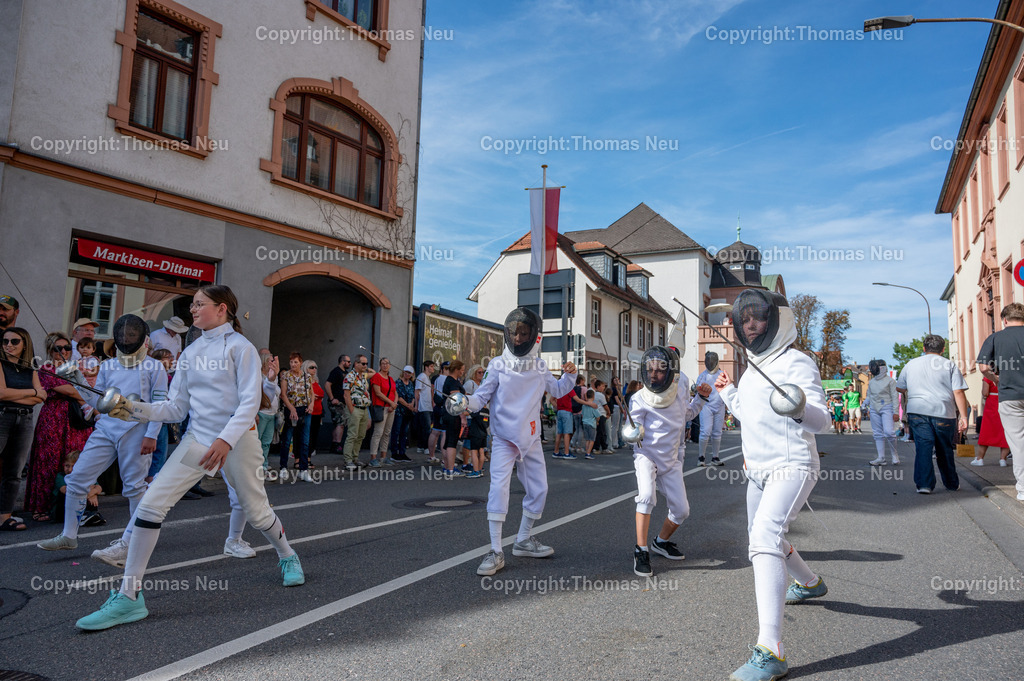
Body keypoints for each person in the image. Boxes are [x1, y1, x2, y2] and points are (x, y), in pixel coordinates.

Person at [75, 284, 304, 631]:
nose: (193, 309)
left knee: (257, 513)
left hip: (238, 441)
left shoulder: (240, 347)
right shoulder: (191, 350)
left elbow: (249, 402)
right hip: (198, 440)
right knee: (150, 504)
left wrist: (225, 441)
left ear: (222, 309)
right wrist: (129, 407)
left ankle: (287, 554)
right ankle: (129, 597)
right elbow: (175, 408)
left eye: (199, 304)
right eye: (193, 304)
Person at [714, 289, 831, 681]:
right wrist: (727, 392)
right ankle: (809, 582)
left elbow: (822, 420)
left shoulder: (797, 362)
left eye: (758, 316)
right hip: (758, 471)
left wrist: (799, 407)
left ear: (777, 320)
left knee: (764, 537)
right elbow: (748, 413)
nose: (750, 324)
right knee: (764, 536)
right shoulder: (751, 370)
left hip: (792, 466)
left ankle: (771, 650)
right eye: (744, 318)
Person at [451, 307, 577, 576]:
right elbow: (480, 398)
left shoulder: (540, 366)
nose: (518, 338)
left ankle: (523, 540)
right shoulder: (497, 364)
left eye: (524, 333)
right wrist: (463, 402)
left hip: (531, 437)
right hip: (504, 437)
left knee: (539, 489)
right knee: (499, 488)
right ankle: (496, 550)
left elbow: (558, 390)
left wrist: (570, 374)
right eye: (514, 332)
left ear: (534, 336)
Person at [37, 314, 167, 554]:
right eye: (124, 334)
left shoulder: (154, 366)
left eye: (132, 334)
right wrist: (77, 379)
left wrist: (152, 435)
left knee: (134, 487)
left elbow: (159, 403)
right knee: (77, 479)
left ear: (143, 338)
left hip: (136, 430)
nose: (127, 338)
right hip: (106, 428)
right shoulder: (108, 365)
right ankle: (69, 535)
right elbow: (97, 400)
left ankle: (134, 540)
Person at [629, 346, 711, 577]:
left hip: (671, 459)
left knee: (681, 510)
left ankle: (660, 542)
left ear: (671, 373)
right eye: (650, 370)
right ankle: (641, 550)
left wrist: (701, 398)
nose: (654, 375)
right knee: (647, 496)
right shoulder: (638, 398)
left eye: (659, 370)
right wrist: (632, 432)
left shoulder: (678, 394)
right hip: (646, 455)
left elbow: (687, 415)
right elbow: (632, 427)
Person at [26, 332, 93, 522]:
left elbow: (87, 386)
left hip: (75, 420)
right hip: (53, 419)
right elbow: (68, 389)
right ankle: (41, 506)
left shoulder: (75, 368)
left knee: (75, 458)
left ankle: (75, 505)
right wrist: (84, 398)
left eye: (67, 348)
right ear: (50, 350)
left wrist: (84, 394)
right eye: (58, 348)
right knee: (48, 462)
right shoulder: (46, 368)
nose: (63, 351)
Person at [896, 334, 969, 494]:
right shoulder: (949, 364)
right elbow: (958, 391)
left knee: (924, 447)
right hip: (944, 412)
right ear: (943, 349)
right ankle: (951, 483)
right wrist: (963, 417)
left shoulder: (911, 364)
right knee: (944, 449)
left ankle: (924, 485)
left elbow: (900, 387)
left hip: (917, 411)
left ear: (924, 348)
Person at [977, 302, 1024, 500]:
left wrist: (996, 379)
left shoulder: (995, 338)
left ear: (1004, 320)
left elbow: (983, 367)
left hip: (1010, 396)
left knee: (1017, 442)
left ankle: (1023, 488)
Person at [0, 326, 44, 531]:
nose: (9, 345)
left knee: (14, 471)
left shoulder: (30, 367)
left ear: (25, 344)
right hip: (3, 416)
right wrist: (32, 392)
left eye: (14, 341)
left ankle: (4, 517)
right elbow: (1, 394)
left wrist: (18, 394)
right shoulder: (1, 364)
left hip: (25, 419)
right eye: (5, 341)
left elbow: (42, 397)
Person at [279, 352, 312, 482]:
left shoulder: (307, 376)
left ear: (300, 363)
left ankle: (303, 469)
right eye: (291, 362)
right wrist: (291, 408)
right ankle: (283, 467)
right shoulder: (286, 376)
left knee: (305, 440)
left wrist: (311, 404)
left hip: (305, 409)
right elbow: (283, 394)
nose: (293, 364)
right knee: (287, 439)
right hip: (291, 409)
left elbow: (311, 392)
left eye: (296, 362)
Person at [54, 450, 105, 527]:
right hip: (62, 509)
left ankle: (88, 515)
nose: (70, 470)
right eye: (67, 466)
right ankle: (84, 517)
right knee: (73, 491)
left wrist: (92, 494)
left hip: (80, 502)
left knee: (91, 490)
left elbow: (98, 487)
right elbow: (65, 490)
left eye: (73, 466)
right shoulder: (61, 476)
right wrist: (89, 494)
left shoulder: (84, 476)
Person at [866, 360, 900, 466]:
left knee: (889, 432)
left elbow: (895, 397)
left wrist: (896, 412)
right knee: (877, 433)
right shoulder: (871, 382)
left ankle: (894, 455)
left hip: (887, 407)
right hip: (874, 408)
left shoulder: (890, 381)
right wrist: (865, 404)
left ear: (882, 368)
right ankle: (881, 458)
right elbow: (869, 395)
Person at [342, 354, 373, 470]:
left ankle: (355, 458)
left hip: (364, 408)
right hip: (355, 408)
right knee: (352, 435)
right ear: (356, 364)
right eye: (363, 363)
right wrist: (352, 410)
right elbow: (346, 395)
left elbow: (374, 373)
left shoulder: (363, 376)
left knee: (360, 435)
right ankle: (348, 460)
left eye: (366, 363)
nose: (365, 366)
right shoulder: (350, 376)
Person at [695, 351, 726, 466]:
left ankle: (715, 457)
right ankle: (701, 457)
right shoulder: (703, 376)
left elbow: (727, 388)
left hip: (719, 406)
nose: (711, 363)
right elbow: (697, 390)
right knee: (705, 431)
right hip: (706, 405)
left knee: (717, 432)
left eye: (712, 360)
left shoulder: (722, 374)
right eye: (709, 360)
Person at [972, 376, 1010, 467]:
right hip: (1004, 402)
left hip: (992, 404)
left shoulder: (988, 377)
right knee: (1005, 432)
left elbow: (985, 393)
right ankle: (1003, 459)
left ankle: (980, 459)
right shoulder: (1008, 375)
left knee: (986, 431)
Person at [440, 360, 468, 478]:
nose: (463, 372)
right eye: (462, 370)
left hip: (447, 414)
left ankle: (448, 467)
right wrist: (463, 417)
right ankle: (451, 469)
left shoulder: (450, 380)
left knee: (448, 441)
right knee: (452, 441)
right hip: (453, 415)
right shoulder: (453, 382)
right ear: (456, 370)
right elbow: (457, 401)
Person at [368, 357, 397, 467]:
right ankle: (373, 458)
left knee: (387, 433)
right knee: (378, 433)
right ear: (380, 365)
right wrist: (391, 403)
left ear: (390, 365)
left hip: (391, 408)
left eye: (387, 363)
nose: (385, 365)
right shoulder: (377, 377)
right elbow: (378, 393)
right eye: (383, 363)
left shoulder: (390, 379)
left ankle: (383, 457)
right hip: (380, 408)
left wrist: (394, 404)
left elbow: (395, 392)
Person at [257, 353, 281, 470]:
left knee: (266, 442)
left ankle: (264, 464)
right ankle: (255, 465)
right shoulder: (258, 376)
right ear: (264, 362)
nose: (273, 363)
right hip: (261, 413)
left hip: (272, 413)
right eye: (271, 361)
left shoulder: (274, 376)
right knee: (257, 441)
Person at [325, 355, 351, 454]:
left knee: (339, 424)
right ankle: (337, 445)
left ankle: (334, 444)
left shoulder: (346, 373)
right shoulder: (336, 371)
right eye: (348, 361)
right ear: (342, 361)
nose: (350, 363)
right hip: (336, 402)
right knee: (341, 423)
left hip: (343, 402)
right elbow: (327, 384)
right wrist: (332, 398)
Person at [389, 365, 416, 462]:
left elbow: (413, 396)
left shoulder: (411, 384)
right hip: (400, 411)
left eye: (409, 373)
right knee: (396, 431)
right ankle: (394, 453)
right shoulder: (398, 382)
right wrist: (408, 405)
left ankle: (402, 452)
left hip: (407, 412)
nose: (407, 374)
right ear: (403, 372)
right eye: (406, 372)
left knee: (404, 432)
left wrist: (412, 404)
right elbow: (399, 397)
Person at [302, 360, 324, 458]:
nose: (314, 369)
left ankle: (309, 455)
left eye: (315, 367)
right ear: (305, 368)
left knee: (314, 434)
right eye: (311, 367)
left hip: (318, 411)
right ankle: (305, 457)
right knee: (308, 435)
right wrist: (312, 397)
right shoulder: (303, 380)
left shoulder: (316, 381)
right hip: (309, 411)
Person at [414, 360, 435, 455]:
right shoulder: (421, 376)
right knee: (426, 427)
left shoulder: (427, 378)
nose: (433, 368)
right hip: (423, 406)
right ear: (426, 367)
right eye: (431, 366)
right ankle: (425, 447)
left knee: (424, 427)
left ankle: (421, 446)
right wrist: (417, 405)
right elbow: (417, 392)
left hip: (428, 405)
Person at [553, 377, 576, 459]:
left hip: (560, 411)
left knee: (559, 433)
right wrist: (588, 403)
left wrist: (558, 407)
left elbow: (551, 400)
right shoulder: (568, 389)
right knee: (567, 433)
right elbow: (576, 399)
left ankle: (556, 451)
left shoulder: (558, 389)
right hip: (567, 411)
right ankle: (566, 453)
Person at [580, 389, 600, 459]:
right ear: (593, 396)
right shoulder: (593, 405)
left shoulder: (584, 405)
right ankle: (588, 453)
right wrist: (597, 421)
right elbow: (597, 416)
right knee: (592, 439)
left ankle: (587, 452)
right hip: (591, 423)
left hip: (584, 423)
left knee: (587, 439)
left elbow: (582, 414)